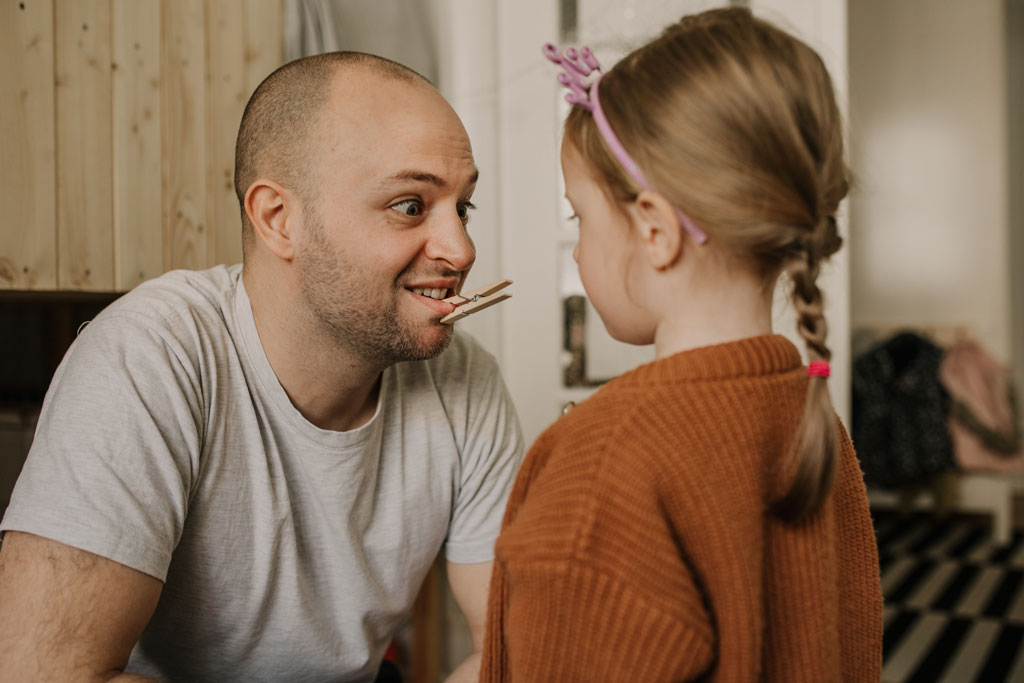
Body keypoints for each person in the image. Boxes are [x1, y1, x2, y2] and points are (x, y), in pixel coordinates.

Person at [0, 52, 523, 682]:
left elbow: (515, 651)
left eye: (462, 208)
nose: (462, 249)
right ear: (279, 219)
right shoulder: (150, 357)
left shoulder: (463, 377)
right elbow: (43, 672)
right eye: (410, 206)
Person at [481, 8, 883, 682]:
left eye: (580, 217)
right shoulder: (812, 419)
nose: (578, 249)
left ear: (656, 232)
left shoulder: (600, 471)